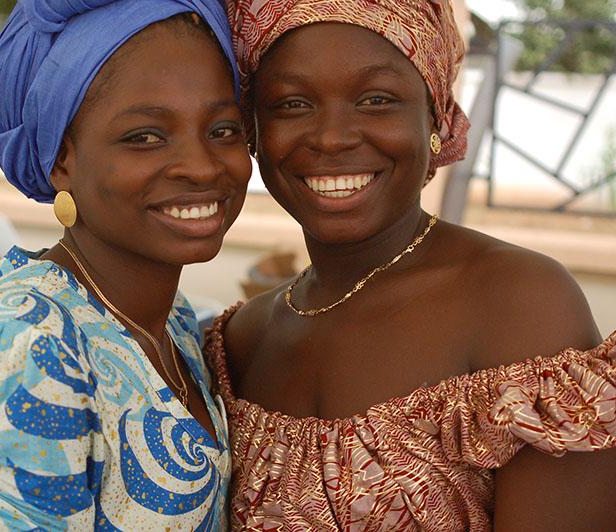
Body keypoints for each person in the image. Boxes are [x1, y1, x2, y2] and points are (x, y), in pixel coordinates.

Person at [205, 1, 616, 530]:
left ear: (435, 117)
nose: (332, 137)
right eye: (291, 104)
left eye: (377, 100)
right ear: (254, 131)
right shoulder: (237, 341)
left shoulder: (518, 303)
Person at [0, 0, 251, 529]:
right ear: (62, 158)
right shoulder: (21, 351)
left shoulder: (165, 317)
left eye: (223, 129)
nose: (201, 165)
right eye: (144, 136)